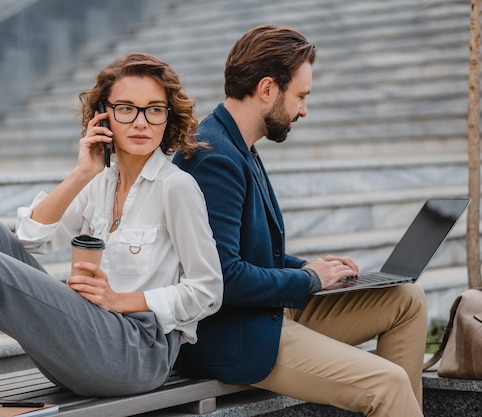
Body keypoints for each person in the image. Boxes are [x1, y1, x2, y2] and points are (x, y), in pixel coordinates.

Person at [0, 52, 223, 411]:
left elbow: (208, 290)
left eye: (154, 109)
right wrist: (82, 173)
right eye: (126, 108)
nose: (141, 122)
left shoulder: (176, 187)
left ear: (167, 117)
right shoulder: (100, 182)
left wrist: (122, 301)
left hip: (136, 354)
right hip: (88, 342)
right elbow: (33, 238)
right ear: (104, 116)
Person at [173, 25, 427, 417]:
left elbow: (250, 254)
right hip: (235, 337)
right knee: (385, 383)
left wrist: (311, 267)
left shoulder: (238, 144)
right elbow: (221, 277)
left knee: (405, 300)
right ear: (267, 89)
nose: (304, 110)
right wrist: (309, 280)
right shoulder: (215, 158)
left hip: (264, 314)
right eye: (301, 96)